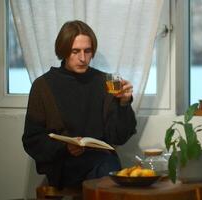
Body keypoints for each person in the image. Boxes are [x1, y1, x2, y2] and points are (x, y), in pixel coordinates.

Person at [22, 20, 137, 189]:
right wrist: (64, 148)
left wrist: (124, 104)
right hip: (63, 164)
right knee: (108, 174)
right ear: (63, 51)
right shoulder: (43, 85)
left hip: (102, 162)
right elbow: (32, 140)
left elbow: (119, 137)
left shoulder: (104, 82)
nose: (83, 58)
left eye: (87, 51)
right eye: (75, 51)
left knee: (106, 168)